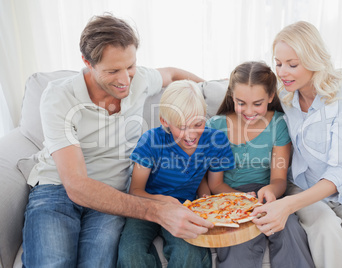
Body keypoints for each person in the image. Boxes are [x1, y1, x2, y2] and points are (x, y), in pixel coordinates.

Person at [22, 14, 214, 267]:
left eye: (130, 66)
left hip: (112, 197)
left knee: (97, 263)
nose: (125, 80)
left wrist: (217, 97)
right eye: (113, 70)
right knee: (52, 262)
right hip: (56, 189)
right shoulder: (58, 97)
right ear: (87, 63)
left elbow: (174, 73)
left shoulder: (141, 79)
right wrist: (156, 211)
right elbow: (76, 185)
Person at [252, 21, 342, 268]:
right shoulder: (286, 96)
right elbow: (246, 94)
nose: (282, 72)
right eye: (278, 63)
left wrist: (285, 206)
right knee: (326, 230)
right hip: (303, 188)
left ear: (313, 60)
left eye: (292, 64)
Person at [206, 61, 314, 268]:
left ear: (271, 97)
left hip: (269, 196)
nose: (248, 111)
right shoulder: (216, 127)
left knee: (289, 228)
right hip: (230, 198)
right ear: (231, 97)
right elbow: (216, 184)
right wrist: (242, 201)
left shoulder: (279, 124)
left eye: (257, 104)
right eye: (241, 103)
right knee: (237, 244)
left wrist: (271, 191)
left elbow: (279, 179)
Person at [117, 80, 235, 268]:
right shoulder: (151, 141)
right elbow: (136, 191)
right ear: (165, 122)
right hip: (145, 206)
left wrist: (236, 198)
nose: (191, 135)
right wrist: (164, 201)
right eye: (181, 127)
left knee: (188, 253)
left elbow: (214, 186)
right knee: (131, 255)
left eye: (198, 124)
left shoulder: (215, 141)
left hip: (184, 208)